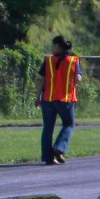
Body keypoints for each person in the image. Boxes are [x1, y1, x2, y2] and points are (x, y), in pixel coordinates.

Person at [36, 35, 83, 165]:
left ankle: (48, 157)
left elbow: (42, 80)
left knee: (48, 128)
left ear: (58, 47)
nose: (51, 48)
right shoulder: (73, 61)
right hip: (64, 99)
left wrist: (37, 97)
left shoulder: (48, 61)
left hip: (48, 99)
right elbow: (78, 79)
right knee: (68, 124)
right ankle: (58, 148)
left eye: (53, 45)